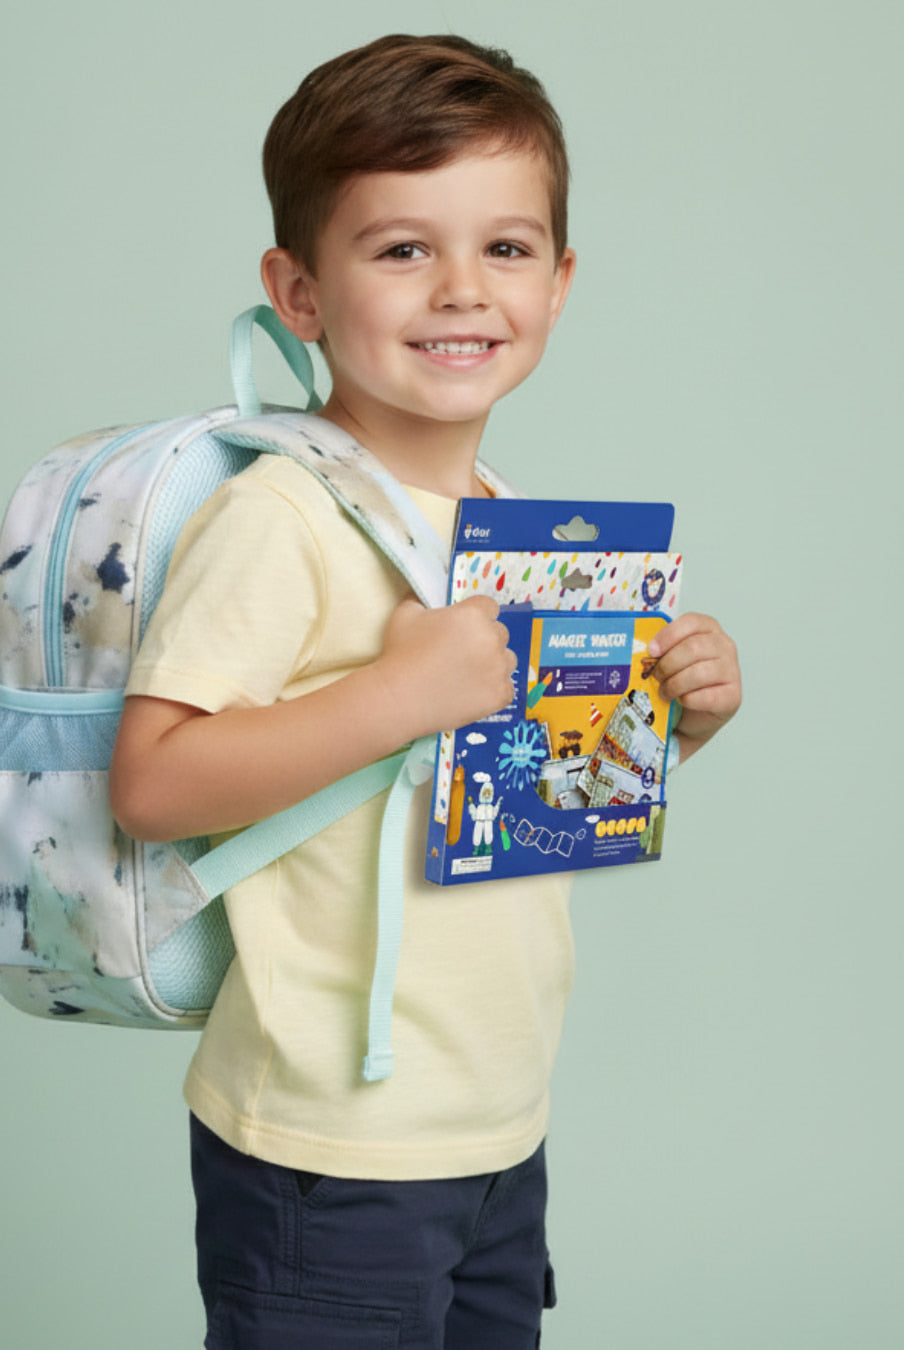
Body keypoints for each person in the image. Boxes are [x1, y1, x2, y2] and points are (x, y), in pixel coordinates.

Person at [109, 33, 742, 1350]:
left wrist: (673, 720)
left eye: (506, 249)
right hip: (329, 1145)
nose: (462, 289)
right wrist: (399, 693)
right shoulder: (280, 514)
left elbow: (528, 787)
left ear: (561, 285)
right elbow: (155, 784)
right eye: (402, 249)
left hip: (496, 1121)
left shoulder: (520, 524)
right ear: (299, 288)